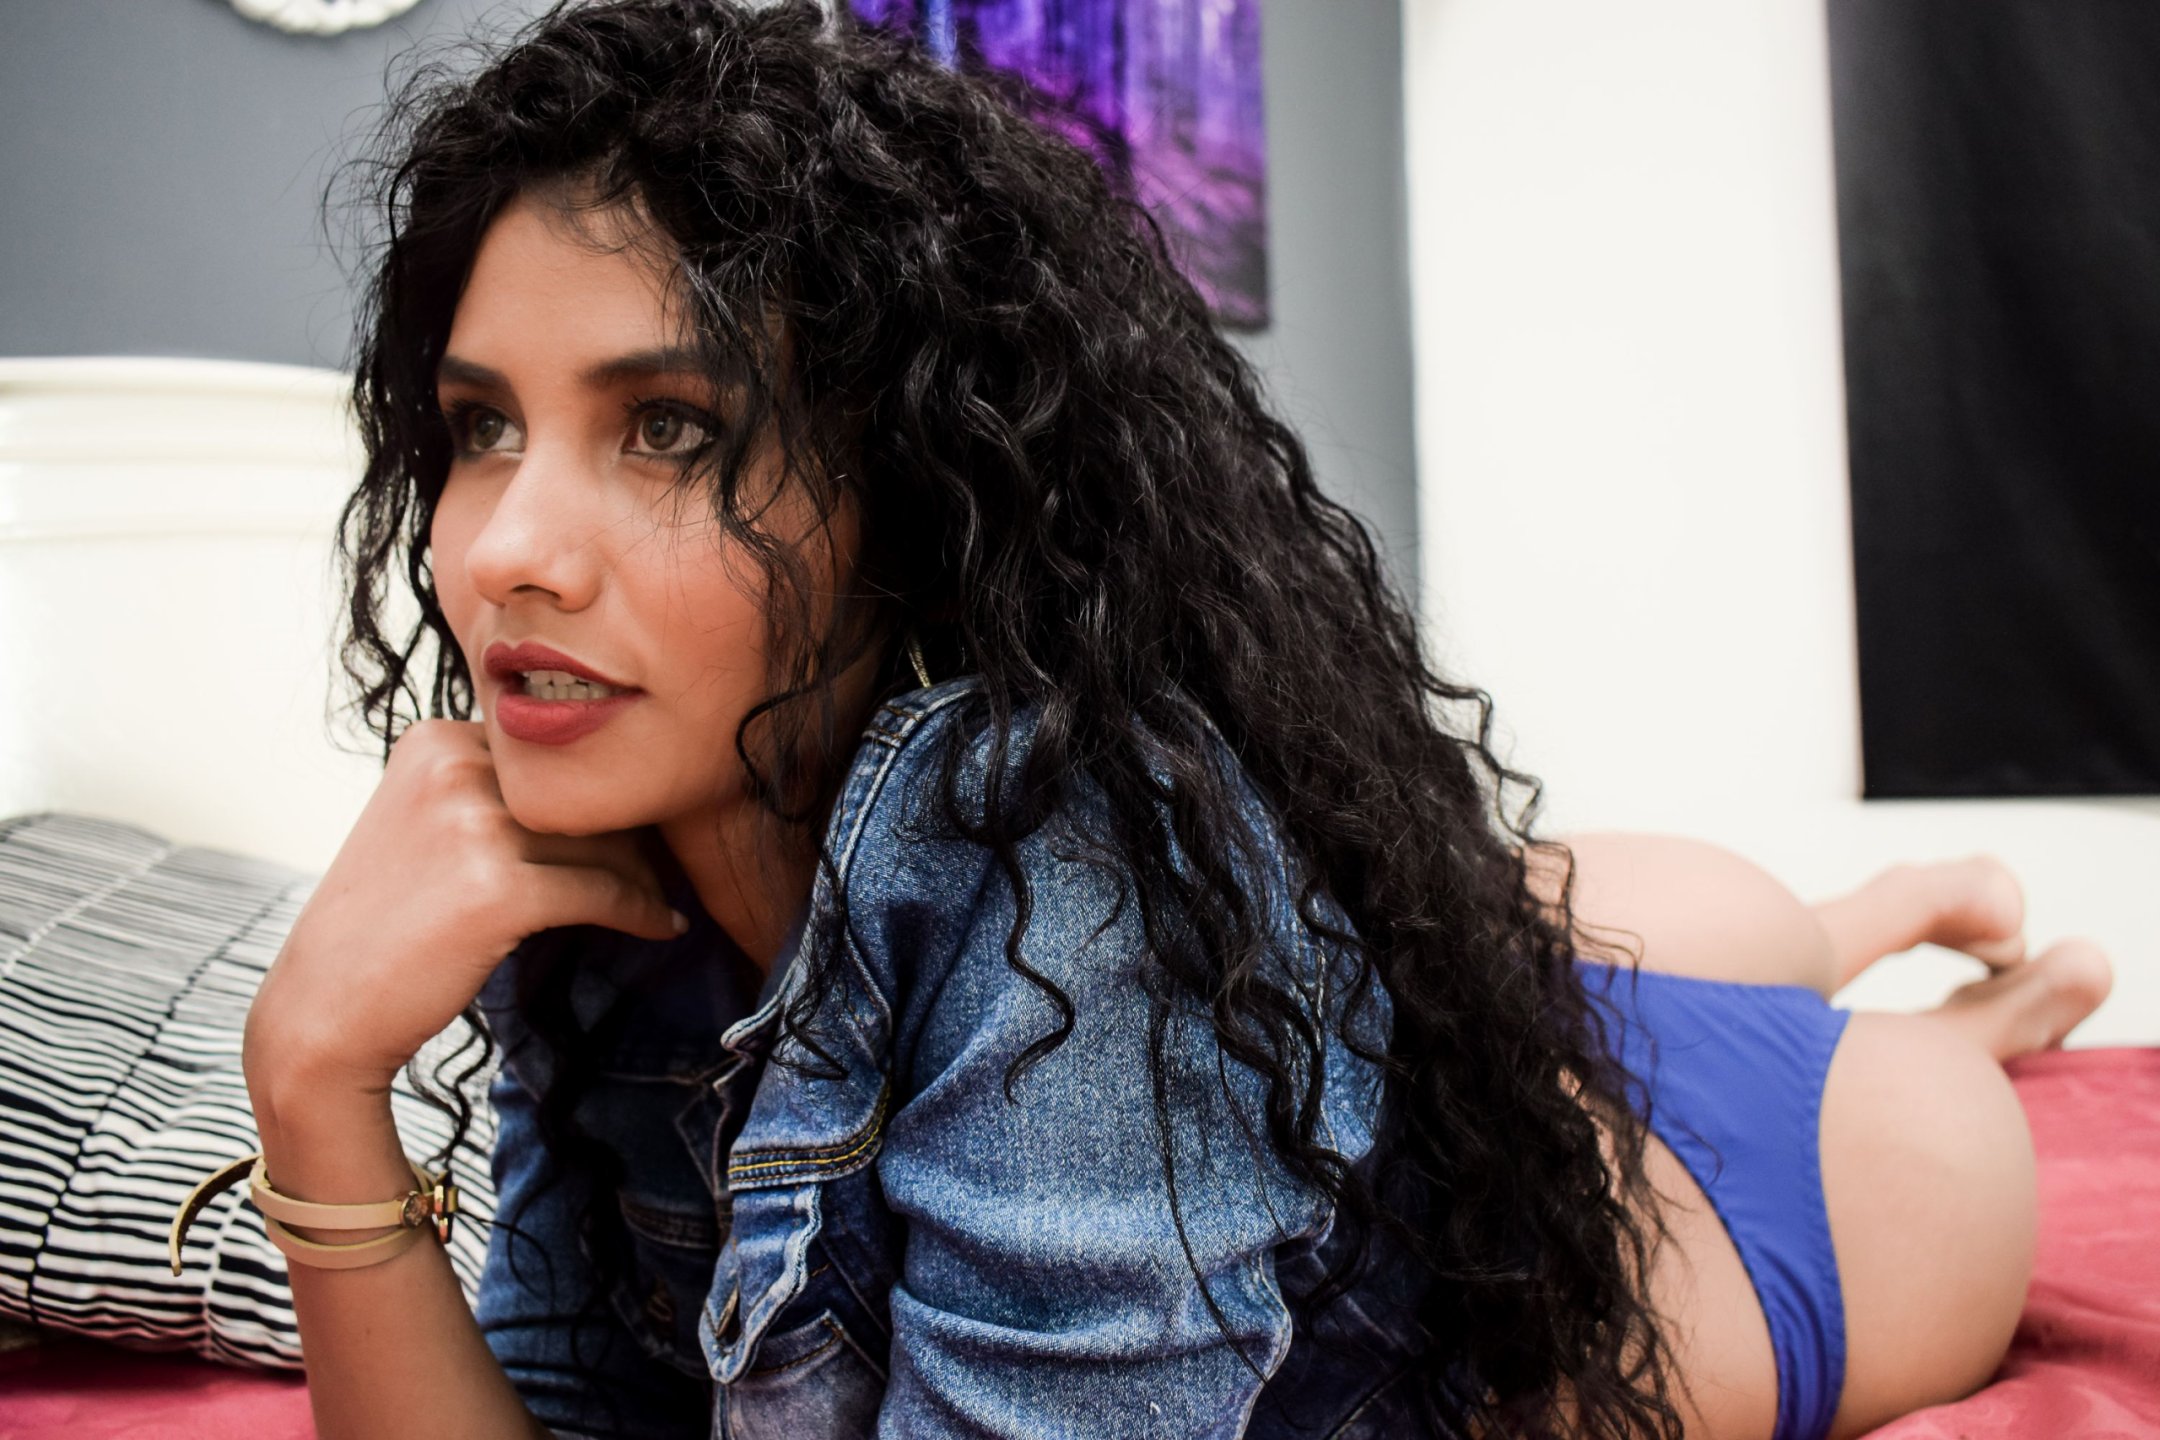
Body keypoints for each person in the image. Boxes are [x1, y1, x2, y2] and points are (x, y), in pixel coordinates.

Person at [220, 2, 2114, 1437]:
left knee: (1638, 941)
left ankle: (1945, 989)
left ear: (910, 495)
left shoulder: (1079, 884)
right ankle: (1823, 939)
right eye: (480, 426)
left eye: (669, 428)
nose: (504, 551)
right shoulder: (572, 862)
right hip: (1402, 1098)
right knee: (1495, 928)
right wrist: (312, 1082)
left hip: (1819, 1193)